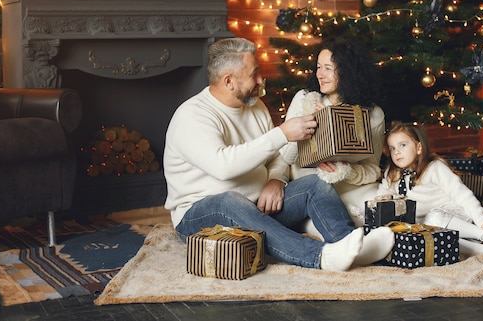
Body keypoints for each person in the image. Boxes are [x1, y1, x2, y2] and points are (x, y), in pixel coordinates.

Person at [163, 37, 394, 271]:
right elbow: (224, 167)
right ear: (229, 81)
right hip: (200, 216)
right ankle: (320, 256)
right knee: (227, 200)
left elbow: (275, 156)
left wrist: (276, 179)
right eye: (254, 74)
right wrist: (282, 133)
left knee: (314, 183)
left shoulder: (255, 106)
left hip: (258, 207)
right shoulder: (192, 117)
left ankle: (350, 245)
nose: (261, 80)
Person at [279, 40, 385, 227]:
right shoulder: (305, 100)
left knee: (381, 208)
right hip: (312, 187)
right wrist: (308, 124)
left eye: (328, 68)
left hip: (352, 187)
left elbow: (372, 169)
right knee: (327, 223)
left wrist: (345, 170)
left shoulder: (373, 114)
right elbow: (284, 157)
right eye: (319, 67)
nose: (320, 74)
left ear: (347, 72)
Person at [377, 122, 483, 256]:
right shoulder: (392, 173)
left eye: (402, 145)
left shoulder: (434, 168)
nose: (397, 152)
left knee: (432, 217)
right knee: (430, 239)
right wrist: (384, 198)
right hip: (429, 226)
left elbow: (461, 193)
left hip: (452, 216)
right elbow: (384, 191)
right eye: (392, 148)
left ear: (419, 148)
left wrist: (481, 219)